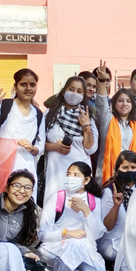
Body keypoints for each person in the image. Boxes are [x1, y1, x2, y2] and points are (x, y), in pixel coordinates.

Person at [38, 161, 107, 271]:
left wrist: (86, 210)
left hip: (83, 249)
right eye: (69, 174)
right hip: (53, 247)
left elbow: (96, 235)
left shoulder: (94, 201)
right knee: (76, 242)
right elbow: (43, 235)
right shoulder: (57, 198)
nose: (71, 178)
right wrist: (66, 233)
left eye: (76, 175)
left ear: (86, 180)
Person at [43, 76, 98, 206]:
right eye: (71, 89)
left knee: (78, 207)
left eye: (79, 91)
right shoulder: (50, 113)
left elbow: (91, 149)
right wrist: (53, 147)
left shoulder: (87, 114)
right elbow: (37, 143)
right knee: (55, 205)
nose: (74, 94)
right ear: (64, 91)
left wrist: (86, 127)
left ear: (84, 95)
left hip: (80, 170)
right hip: (55, 171)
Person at [0, 68, 45, 197]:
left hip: (27, 169)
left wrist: (32, 148)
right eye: (23, 84)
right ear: (15, 86)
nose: (28, 88)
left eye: (32, 85)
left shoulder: (38, 114)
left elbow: (41, 147)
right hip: (1, 168)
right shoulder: (4, 106)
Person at [0, 170, 43, 271]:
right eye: (17, 185)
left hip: (1, 254)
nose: (22, 191)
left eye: (27, 187)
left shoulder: (25, 213)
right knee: (7, 249)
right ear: (7, 187)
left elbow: (13, 242)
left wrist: (26, 253)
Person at [97, 150, 136, 265]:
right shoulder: (110, 191)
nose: (129, 171)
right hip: (113, 242)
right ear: (118, 169)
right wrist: (116, 206)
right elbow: (107, 227)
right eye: (125, 167)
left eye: (133, 167)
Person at [96, 85, 136, 183]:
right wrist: (101, 81)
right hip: (109, 174)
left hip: (131, 174)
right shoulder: (107, 119)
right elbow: (101, 102)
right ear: (114, 103)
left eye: (128, 101)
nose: (124, 104)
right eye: (120, 100)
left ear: (132, 105)